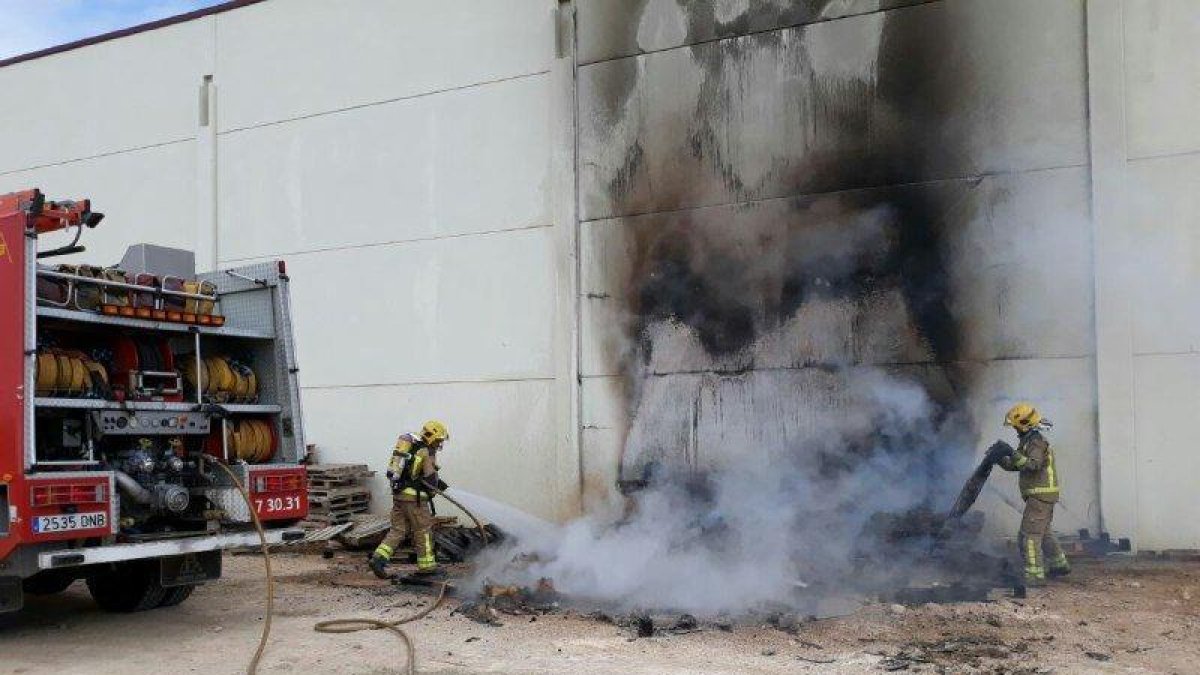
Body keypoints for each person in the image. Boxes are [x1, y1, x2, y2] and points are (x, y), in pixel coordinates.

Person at [996, 403, 1069, 585]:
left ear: (1024, 424)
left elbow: (1032, 465)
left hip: (1040, 497)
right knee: (1043, 533)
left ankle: (1034, 576)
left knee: (1029, 536)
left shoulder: (1036, 442)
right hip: (1042, 496)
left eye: (1015, 426)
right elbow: (1017, 465)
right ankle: (1059, 564)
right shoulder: (1029, 441)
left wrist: (1011, 452)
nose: (1014, 429)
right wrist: (1000, 459)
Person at [368, 420, 449, 579]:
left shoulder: (411, 447)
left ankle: (378, 558)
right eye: (438, 439)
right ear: (431, 436)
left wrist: (441, 485)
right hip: (415, 501)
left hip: (399, 496)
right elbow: (429, 478)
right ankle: (427, 567)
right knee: (423, 530)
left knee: (398, 530)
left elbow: (411, 474)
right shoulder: (426, 451)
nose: (439, 443)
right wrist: (435, 487)